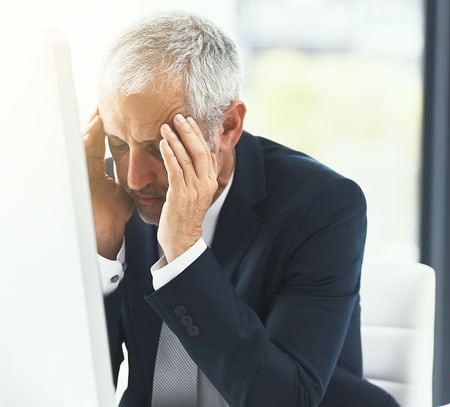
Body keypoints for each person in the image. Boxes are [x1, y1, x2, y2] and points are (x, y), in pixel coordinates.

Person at [83, 11, 399, 407]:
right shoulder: (111, 193)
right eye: (119, 143)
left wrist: (184, 253)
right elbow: (74, 386)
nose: (134, 177)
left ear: (228, 126)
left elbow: (285, 399)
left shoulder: (324, 206)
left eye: (158, 148)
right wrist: (103, 247)